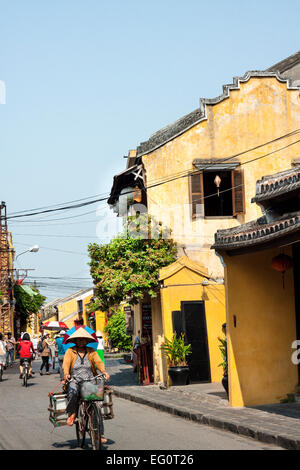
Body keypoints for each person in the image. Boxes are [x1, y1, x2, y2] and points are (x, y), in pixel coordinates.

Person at [62, 327, 110, 443]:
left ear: (86, 341)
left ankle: (100, 433)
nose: (81, 341)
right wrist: (66, 374)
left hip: (89, 380)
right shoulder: (70, 351)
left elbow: (98, 362)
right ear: (75, 341)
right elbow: (66, 363)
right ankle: (72, 413)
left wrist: (104, 372)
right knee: (73, 392)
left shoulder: (91, 351)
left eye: (83, 339)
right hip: (74, 380)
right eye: (79, 339)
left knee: (97, 405)